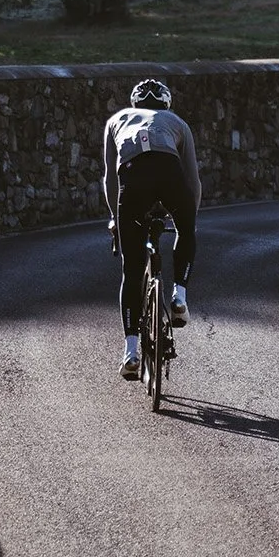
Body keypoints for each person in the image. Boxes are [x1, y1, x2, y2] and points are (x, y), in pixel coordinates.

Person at [103, 76, 202, 380]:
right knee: (186, 232)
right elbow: (193, 179)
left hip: (133, 179)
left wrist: (114, 218)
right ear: (165, 103)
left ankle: (131, 352)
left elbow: (110, 178)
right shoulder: (176, 122)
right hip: (169, 173)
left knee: (132, 270)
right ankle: (179, 296)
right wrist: (187, 220)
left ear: (135, 104)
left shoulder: (116, 120)